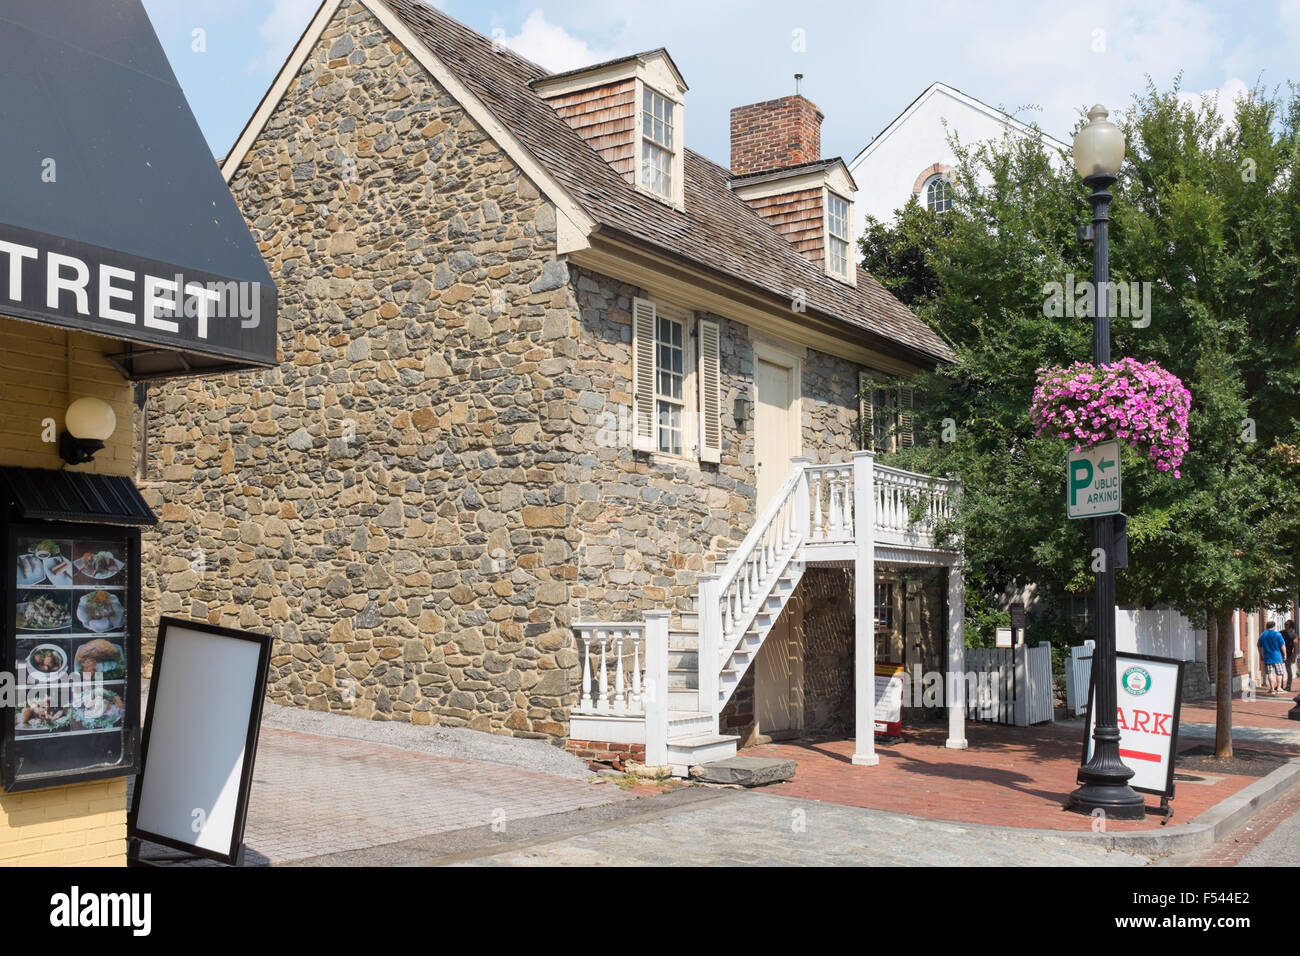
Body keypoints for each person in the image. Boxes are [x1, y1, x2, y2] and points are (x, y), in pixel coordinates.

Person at [1257, 621, 1287, 696]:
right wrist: (1285, 654)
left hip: (1267, 656)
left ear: (1266, 626)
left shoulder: (1263, 635)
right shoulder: (1277, 634)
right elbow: (1282, 646)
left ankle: (1272, 688)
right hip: (1277, 656)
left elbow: (1259, 646)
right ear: (1274, 626)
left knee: (1270, 673)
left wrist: (1261, 655)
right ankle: (1279, 688)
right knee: (1279, 673)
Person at [1282, 620, 1298, 693]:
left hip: (1288, 655)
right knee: (1280, 671)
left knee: (1289, 671)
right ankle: (1280, 685)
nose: (1285, 626)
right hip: (1280, 654)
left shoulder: (1294, 635)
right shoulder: (1280, 633)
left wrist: (1294, 656)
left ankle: (1288, 686)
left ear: (1291, 626)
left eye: (1287, 624)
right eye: (1285, 624)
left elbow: (1295, 647)